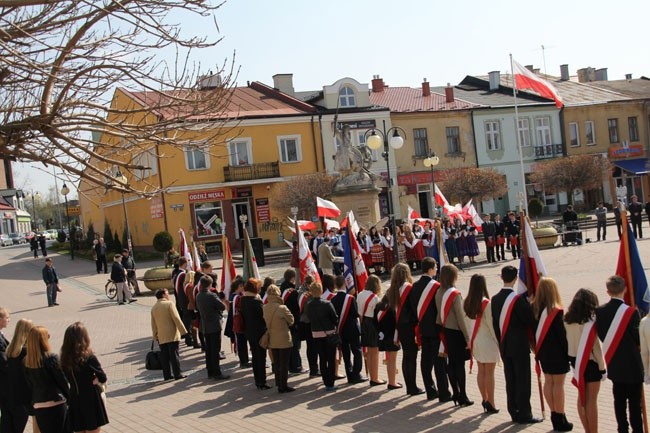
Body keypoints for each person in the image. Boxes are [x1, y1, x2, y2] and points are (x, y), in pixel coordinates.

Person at [491, 265, 541, 424]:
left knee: (510, 379)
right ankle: (525, 413)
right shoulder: (517, 300)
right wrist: (531, 305)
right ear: (515, 278)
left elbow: (495, 323)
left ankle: (513, 410)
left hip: (505, 344)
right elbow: (530, 320)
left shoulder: (495, 298)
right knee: (523, 380)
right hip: (519, 345)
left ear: (501, 278)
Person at [595, 275, 643, 433]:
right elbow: (638, 339)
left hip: (614, 362)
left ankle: (622, 429)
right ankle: (637, 429)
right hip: (633, 364)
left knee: (619, 401)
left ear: (607, 292)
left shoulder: (600, 312)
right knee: (635, 404)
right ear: (626, 289)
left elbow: (602, 335)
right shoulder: (631, 312)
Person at [532, 277, 572, 431]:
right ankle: (560, 417)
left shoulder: (533, 308)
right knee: (558, 385)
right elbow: (562, 336)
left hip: (543, 351)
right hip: (557, 353)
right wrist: (569, 354)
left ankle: (554, 414)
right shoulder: (556, 311)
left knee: (548, 382)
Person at [409, 257, 451, 402]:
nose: (437, 268)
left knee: (425, 362)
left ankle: (430, 390)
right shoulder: (437, 286)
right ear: (431, 269)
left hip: (422, 328)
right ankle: (444, 393)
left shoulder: (414, 286)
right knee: (439, 362)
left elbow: (414, 307)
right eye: (436, 266)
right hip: (435, 328)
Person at [565, 289, 605, 433]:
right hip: (591, 362)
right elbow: (596, 349)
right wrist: (602, 368)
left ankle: (587, 430)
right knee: (591, 400)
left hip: (575, 361)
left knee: (581, 396)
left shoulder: (567, 320)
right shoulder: (589, 324)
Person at [60, 322, 109, 433]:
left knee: (79, 429)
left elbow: (65, 378)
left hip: (74, 398)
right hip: (90, 398)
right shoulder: (88, 357)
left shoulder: (64, 359)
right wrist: (97, 379)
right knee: (93, 429)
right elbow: (103, 377)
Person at [435, 264, 472, 407]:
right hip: (456, 332)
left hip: (445, 330)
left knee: (450, 363)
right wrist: (468, 338)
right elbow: (460, 318)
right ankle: (463, 394)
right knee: (459, 365)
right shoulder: (454, 294)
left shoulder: (438, 292)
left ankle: (455, 393)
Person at [463, 274, 499, 414]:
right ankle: (491, 401)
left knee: (481, 371)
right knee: (490, 373)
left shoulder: (466, 301)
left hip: (475, 340)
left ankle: (484, 399)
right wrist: (499, 342)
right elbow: (491, 325)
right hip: (487, 340)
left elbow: (466, 323)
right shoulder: (486, 303)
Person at [24, 326, 70, 433]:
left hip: (39, 404)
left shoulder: (27, 362)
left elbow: (28, 385)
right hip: (56, 402)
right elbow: (62, 381)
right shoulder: (51, 358)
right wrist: (69, 398)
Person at [392, 263, 422, 396]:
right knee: (412, 356)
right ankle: (412, 387)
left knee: (406, 356)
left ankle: (409, 386)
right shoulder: (408, 288)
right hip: (410, 324)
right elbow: (415, 307)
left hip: (400, 325)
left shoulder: (393, 288)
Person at [330, 275, 366, 385]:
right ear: (345, 284)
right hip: (352, 329)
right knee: (357, 351)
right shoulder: (350, 298)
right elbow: (355, 314)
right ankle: (356, 374)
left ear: (335, 285)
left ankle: (349, 375)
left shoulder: (333, 299)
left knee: (346, 353)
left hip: (341, 330)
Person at [305, 282, 339, 391]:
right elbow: (335, 319)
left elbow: (309, 318)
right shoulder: (327, 303)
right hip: (329, 334)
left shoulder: (308, 305)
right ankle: (331, 382)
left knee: (322, 358)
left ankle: (325, 381)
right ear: (321, 291)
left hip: (316, 334)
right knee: (331, 359)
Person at [4, 318, 35, 433]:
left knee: (9, 424)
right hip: (25, 396)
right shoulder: (26, 351)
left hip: (12, 393)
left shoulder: (10, 350)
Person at [195, 275, 229, 381]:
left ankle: (210, 371)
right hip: (214, 325)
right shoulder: (211, 295)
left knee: (209, 350)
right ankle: (217, 372)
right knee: (215, 349)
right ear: (210, 284)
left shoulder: (199, 295)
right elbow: (222, 307)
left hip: (205, 325)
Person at [263, 285, 295, 393]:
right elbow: (291, 320)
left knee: (276, 362)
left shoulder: (265, 307)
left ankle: (278, 382)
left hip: (272, 338)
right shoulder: (282, 308)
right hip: (284, 338)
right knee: (284, 363)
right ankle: (283, 385)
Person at [150, 288, 188, 381]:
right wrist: (183, 331)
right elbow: (176, 318)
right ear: (163, 295)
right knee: (174, 355)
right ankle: (177, 374)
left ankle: (167, 375)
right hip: (172, 334)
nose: (168, 295)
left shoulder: (154, 307)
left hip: (161, 336)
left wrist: (155, 335)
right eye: (167, 294)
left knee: (165, 357)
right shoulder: (169, 304)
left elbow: (153, 323)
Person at [239, 278, 269, 390]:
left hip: (249, 332)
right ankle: (262, 381)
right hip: (260, 332)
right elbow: (264, 316)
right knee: (261, 357)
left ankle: (258, 381)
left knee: (255, 357)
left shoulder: (243, 300)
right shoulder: (256, 302)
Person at [357, 275, 384, 386]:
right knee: (374, 352)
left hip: (363, 322)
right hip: (372, 323)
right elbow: (378, 314)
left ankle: (371, 375)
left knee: (368, 351)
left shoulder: (360, 294)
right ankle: (375, 378)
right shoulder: (375, 298)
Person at [376, 281, 402, 390]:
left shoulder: (379, 306)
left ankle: (392, 380)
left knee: (390, 360)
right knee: (392, 360)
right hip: (392, 337)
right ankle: (392, 382)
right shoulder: (392, 309)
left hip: (383, 337)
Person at [279, 269, 306, 375]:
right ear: (292, 278)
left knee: (289, 345)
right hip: (293, 322)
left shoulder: (282, 288)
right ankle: (296, 366)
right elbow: (297, 308)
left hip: (285, 322)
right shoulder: (292, 292)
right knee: (295, 346)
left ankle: (291, 365)